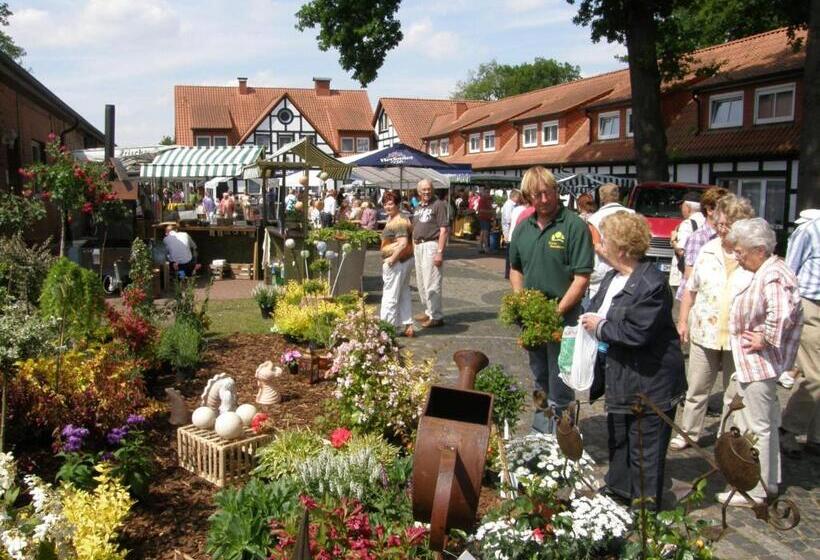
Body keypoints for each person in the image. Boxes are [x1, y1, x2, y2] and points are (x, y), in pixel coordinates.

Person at [580, 212, 686, 511]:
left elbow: (638, 332)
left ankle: (644, 509)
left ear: (622, 249)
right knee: (621, 438)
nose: (600, 247)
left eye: (606, 242)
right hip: (621, 376)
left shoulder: (651, 283)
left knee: (645, 448)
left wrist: (599, 327)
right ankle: (618, 490)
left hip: (650, 382)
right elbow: (597, 309)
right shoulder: (614, 277)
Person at [718, 218, 803, 507]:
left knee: (758, 427)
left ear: (759, 249)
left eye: (740, 252)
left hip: (760, 363)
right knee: (761, 423)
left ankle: (756, 489)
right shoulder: (766, 270)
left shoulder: (773, 274)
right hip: (753, 363)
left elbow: (781, 312)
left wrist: (764, 338)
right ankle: (770, 481)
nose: (737, 257)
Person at [509, 166, 593, 433]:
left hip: (564, 320)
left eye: (548, 193)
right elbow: (515, 269)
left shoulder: (574, 226)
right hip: (532, 319)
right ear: (527, 197)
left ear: (557, 191)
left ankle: (564, 434)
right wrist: (521, 302)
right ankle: (541, 425)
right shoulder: (523, 228)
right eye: (536, 195)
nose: (543, 200)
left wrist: (556, 312)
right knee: (538, 377)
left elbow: (581, 278)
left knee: (562, 379)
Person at [670, 195, 755, 451]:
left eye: (728, 224)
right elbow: (690, 289)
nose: (722, 228)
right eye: (719, 223)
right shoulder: (708, 250)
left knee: (734, 392)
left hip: (738, 336)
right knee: (697, 387)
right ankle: (688, 432)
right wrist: (683, 320)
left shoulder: (752, 256)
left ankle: (727, 437)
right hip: (704, 330)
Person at [780, 209, 820, 458]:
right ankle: (788, 428)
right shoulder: (810, 229)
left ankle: (816, 437)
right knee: (816, 376)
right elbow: (789, 271)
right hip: (811, 305)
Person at [676, 187, 729, 300]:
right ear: (709, 210)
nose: (728, 213)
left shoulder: (726, 236)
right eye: (724, 209)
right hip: (697, 300)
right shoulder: (699, 237)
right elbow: (690, 276)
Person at [412, 179, 449, 328]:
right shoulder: (418, 207)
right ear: (419, 192)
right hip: (419, 246)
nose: (426, 192)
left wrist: (439, 252)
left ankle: (436, 316)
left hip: (431, 245)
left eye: (429, 189)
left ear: (432, 190)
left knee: (432, 281)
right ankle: (428, 310)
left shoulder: (438, 204)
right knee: (421, 282)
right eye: (423, 190)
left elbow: (443, 230)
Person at [587, 183, 634, 299]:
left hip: (603, 270)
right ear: (618, 196)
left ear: (601, 198)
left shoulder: (594, 219)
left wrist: (616, 265)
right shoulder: (632, 214)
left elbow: (597, 247)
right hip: (630, 266)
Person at [380, 191, 415, 338]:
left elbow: (402, 243)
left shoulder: (399, 220)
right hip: (405, 259)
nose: (387, 207)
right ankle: (408, 325)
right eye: (385, 203)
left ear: (397, 204)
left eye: (391, 204)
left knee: (390, 295)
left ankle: (386, 329)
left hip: (398, 261)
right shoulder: (397, 218)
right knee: (403, 293)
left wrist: (391, 259)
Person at [670, 192, 705, 295]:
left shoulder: (687, 223)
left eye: (683, 206)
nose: (681, 209)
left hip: (686, 273)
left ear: (688, 207)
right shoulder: (706, 221)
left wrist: (673, 240)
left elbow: (681, 250)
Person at [501, 189, 522, 279]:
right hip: (509, 232)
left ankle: (509, 273)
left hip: (509, 232)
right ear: (514, 196)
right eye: (518, 197)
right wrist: (506, 233)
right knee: (510, 254)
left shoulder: (512, 205)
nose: (519, 198)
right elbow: (508, 220)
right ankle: (508, 273)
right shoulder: (509, 205)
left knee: (510, 254)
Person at [477, 188, 494, 253]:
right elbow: (481, 210)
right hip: (483, 218)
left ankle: (481, 247)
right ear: (484, 193)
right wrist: (490, 211)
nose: (488, 194)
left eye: (488, 192)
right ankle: (485, 247)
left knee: (483, 232)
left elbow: (490, 206)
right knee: (485, 233)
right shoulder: (482, 200)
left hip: (486, 218)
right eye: (487, 192)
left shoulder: (488, 199)